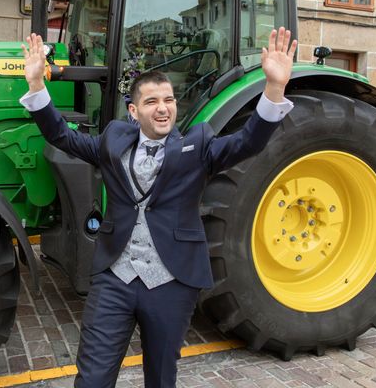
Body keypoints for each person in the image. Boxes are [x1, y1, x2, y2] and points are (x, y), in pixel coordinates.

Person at [20, 27, 297, 387]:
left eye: (168, 100)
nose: (163, 108)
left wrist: (274, 88)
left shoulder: (197, 146)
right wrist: (37, 85)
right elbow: (61, 136)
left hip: (171, 280)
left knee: (161, 377)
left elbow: (248, 142)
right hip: (114, 277)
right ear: (134, 111)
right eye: (152, 102)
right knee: (91, 378)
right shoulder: (112, 140)